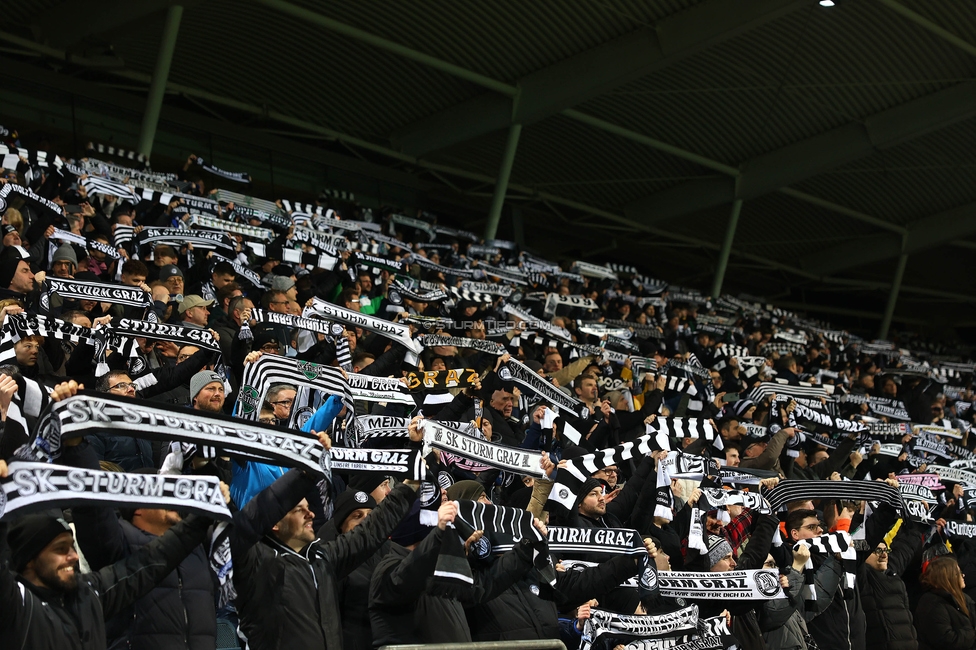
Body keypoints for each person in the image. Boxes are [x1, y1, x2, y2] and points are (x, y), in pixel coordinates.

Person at [0, 458, 217, 650]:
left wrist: (203, 516)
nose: (73, 557)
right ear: (30, 557)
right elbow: (93, 513)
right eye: (59, 550)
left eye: (71, 548)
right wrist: (76, 450)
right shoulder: (16, 603)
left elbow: (155, 560)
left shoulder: (89, 594)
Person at [915, 555, 976, 650]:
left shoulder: (964, 598)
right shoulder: (932, 603)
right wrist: (972, 633)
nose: (963, 575)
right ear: (947, 577)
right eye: (959, 572)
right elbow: (947, 640)